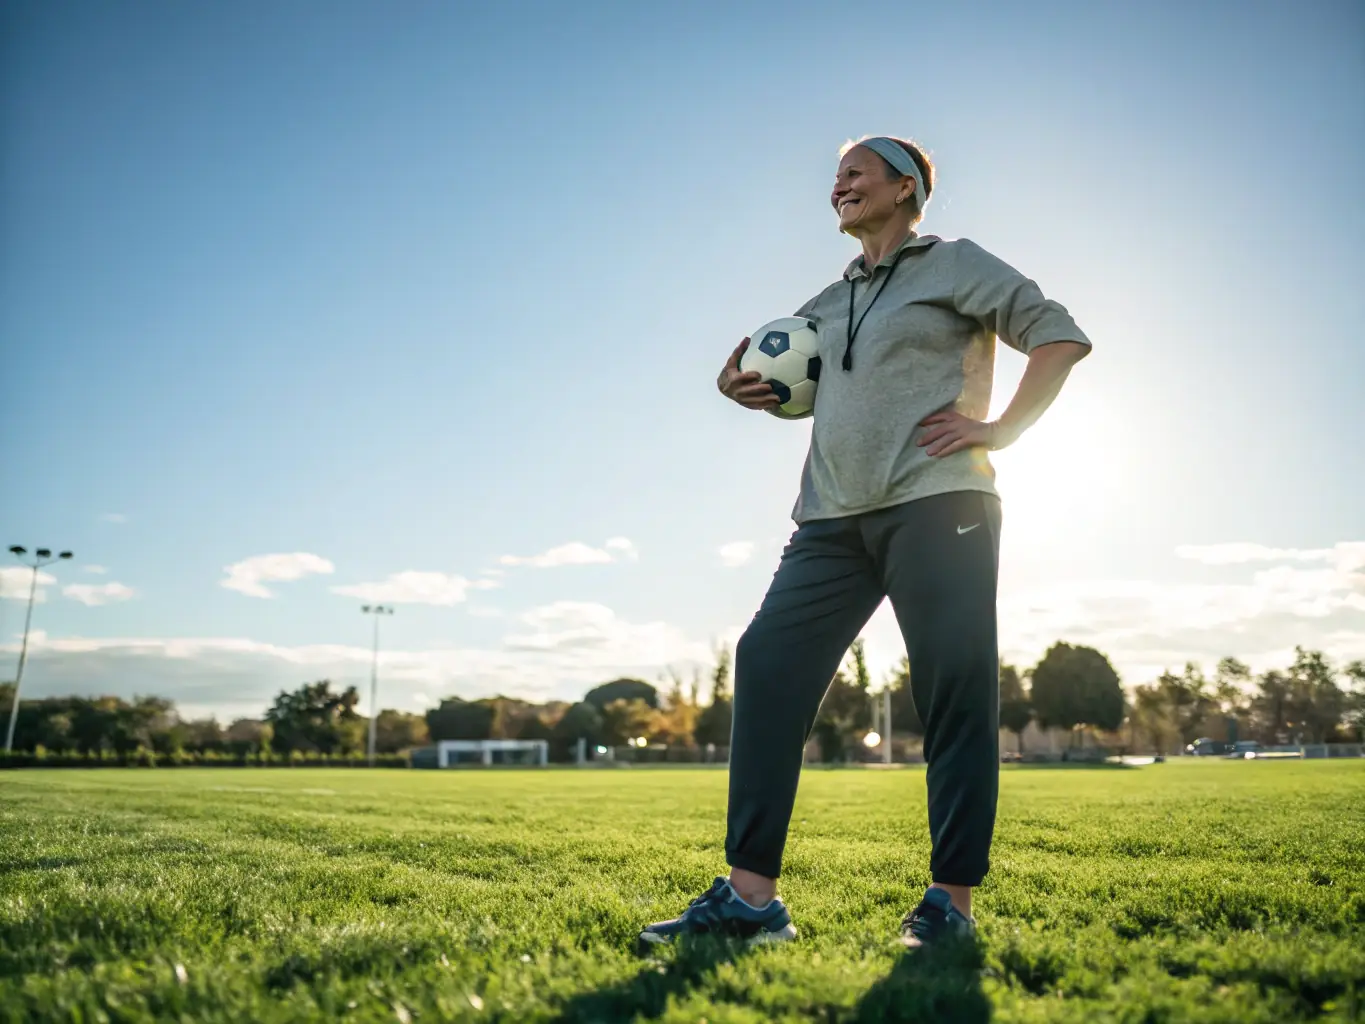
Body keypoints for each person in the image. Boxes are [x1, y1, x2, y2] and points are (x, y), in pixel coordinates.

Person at [638, 135, 1092, 951]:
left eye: (855, 172)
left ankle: (949, 905)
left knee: (952, 694)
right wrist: (734, 386)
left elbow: (1057, 334)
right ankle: (750, 904)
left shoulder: (954, 265)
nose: (838, 184)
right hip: (827, 519)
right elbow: (783, 377)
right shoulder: (826, 298)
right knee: (767, 663)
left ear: (905, 186)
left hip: (938, 502)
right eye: (834, 176)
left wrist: (1001, 429)